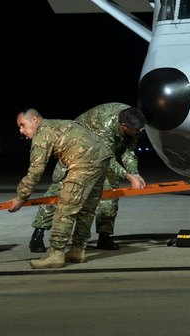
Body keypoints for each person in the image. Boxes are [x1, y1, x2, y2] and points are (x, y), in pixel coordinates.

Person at [28, 103, 147, 253]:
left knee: (110, 193)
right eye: (134, 131)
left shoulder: (136, 123)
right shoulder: (104, 124)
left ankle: (104, 235)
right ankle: (38, 234)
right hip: (76, 152)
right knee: (59, 192)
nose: (137, 133)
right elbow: (105, 157)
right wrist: (128, 176)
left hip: (102, 152)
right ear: (123, 126)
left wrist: (134, 172)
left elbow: (128, 150)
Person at [8, 108, 116, 269]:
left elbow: (36, 170)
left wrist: (21, 197)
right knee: (87, 209)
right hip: (102, 159)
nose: (21, 130)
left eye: (23, 125)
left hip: (84, 162)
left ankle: (56, 254)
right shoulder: (58, 124)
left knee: (65, 209)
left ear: (35, 120)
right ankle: (78, 251)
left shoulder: (43, 132)